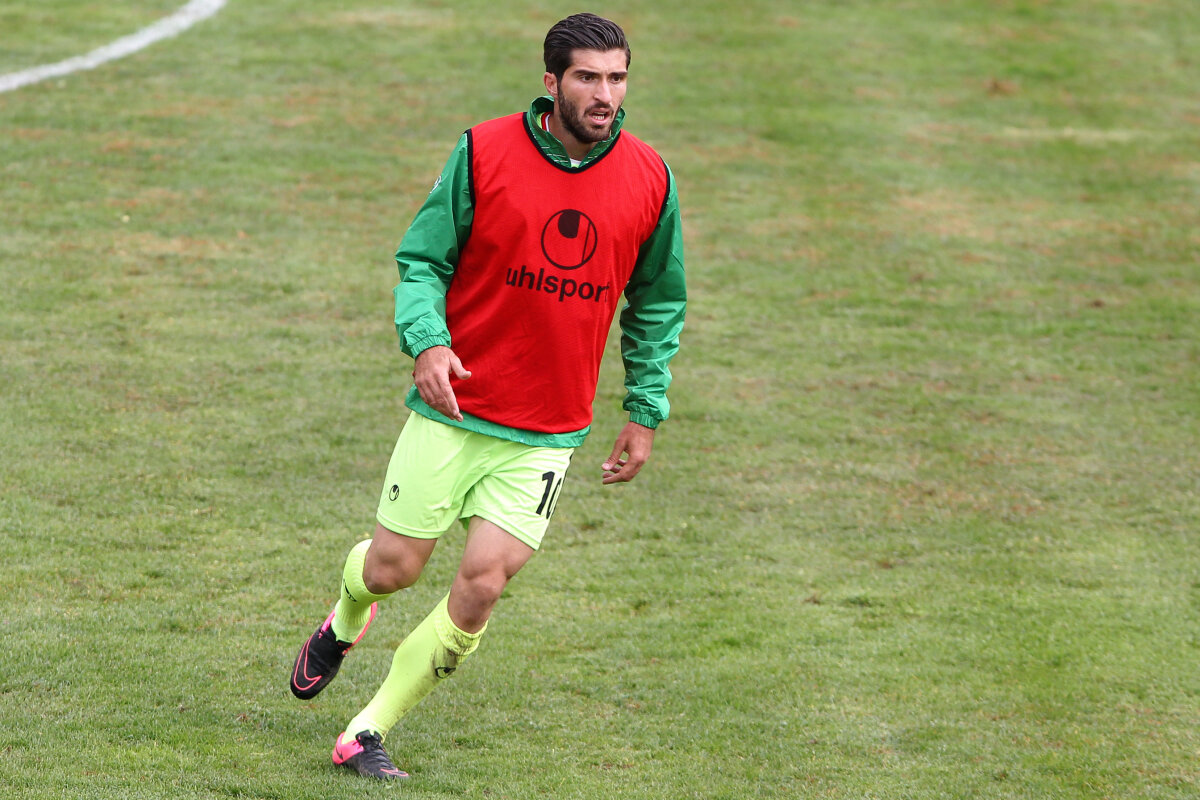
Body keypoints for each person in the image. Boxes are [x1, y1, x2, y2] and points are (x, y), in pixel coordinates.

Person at [288, 12, 686, 781]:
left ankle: (365, 731)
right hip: (457, 409)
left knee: (482, 586)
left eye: (617, 78)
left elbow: (658, 301)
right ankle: (346, 617)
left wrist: (645, 408)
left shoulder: (650, 178)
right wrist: (427, 343)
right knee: (393, 570)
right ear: (552, 81)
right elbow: (422, 261)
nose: (605, 95)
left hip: (548, 430)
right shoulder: (484, 151)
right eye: (588, 78)